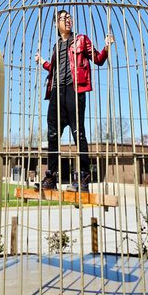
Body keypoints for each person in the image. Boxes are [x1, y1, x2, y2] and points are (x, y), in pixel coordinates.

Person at [35, 10, 114, 192]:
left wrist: (107, 47)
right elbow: (54, 70)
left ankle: (83, 178)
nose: (67, 20)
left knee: (78, 132)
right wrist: (42, 62)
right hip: (55, 92)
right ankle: (51, 177)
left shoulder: (81, 39)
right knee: (53, 135)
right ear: (56, 24)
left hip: (75, 89)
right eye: (63, 18)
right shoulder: (56, 46)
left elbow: (98, 60)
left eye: (69, 17)